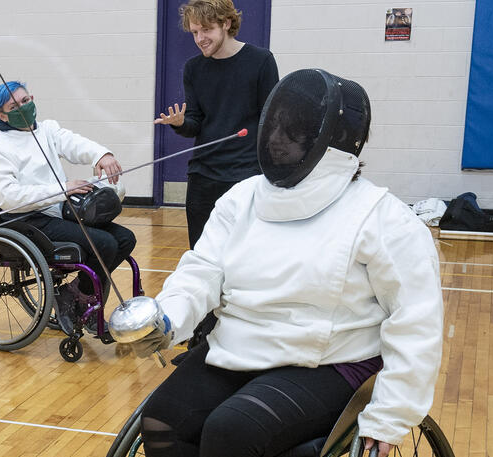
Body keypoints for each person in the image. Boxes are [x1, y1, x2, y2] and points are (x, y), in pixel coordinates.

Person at [124, 69, 443, 457]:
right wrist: (168, 317)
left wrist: (391, 414)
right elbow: (201, 271)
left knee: (231, 433)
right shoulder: (242, 200)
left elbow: (415, 321)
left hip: (330, 361)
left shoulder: (383, 217)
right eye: (273, 128)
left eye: (292, 134)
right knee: (163, 420)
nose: (275, 141)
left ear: (332, 143)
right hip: (239, 346)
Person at [0, 81, 134, 327]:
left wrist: (101, 155)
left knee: (126, 239)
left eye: (24, 101)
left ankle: (73, 292)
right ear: (2, 115)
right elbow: (9, 198)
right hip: (27, 220)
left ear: (32, 98)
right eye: (13, 106)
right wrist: (62, 189)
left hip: (57, 210)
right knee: (103, 243)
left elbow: (74, 143)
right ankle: (80, 298)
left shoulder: (47, 130)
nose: (22, 108)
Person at [152, 0, 279, 248]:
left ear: (226, 23)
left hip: (246, 174)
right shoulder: (194, 68)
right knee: (201, 253)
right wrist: (180, 123)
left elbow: (272, 121)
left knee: (244, 253)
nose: (200, 39)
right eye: (195, 32)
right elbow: (195, 125)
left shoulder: (261, 61)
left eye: (206, 30)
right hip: (203, 175)